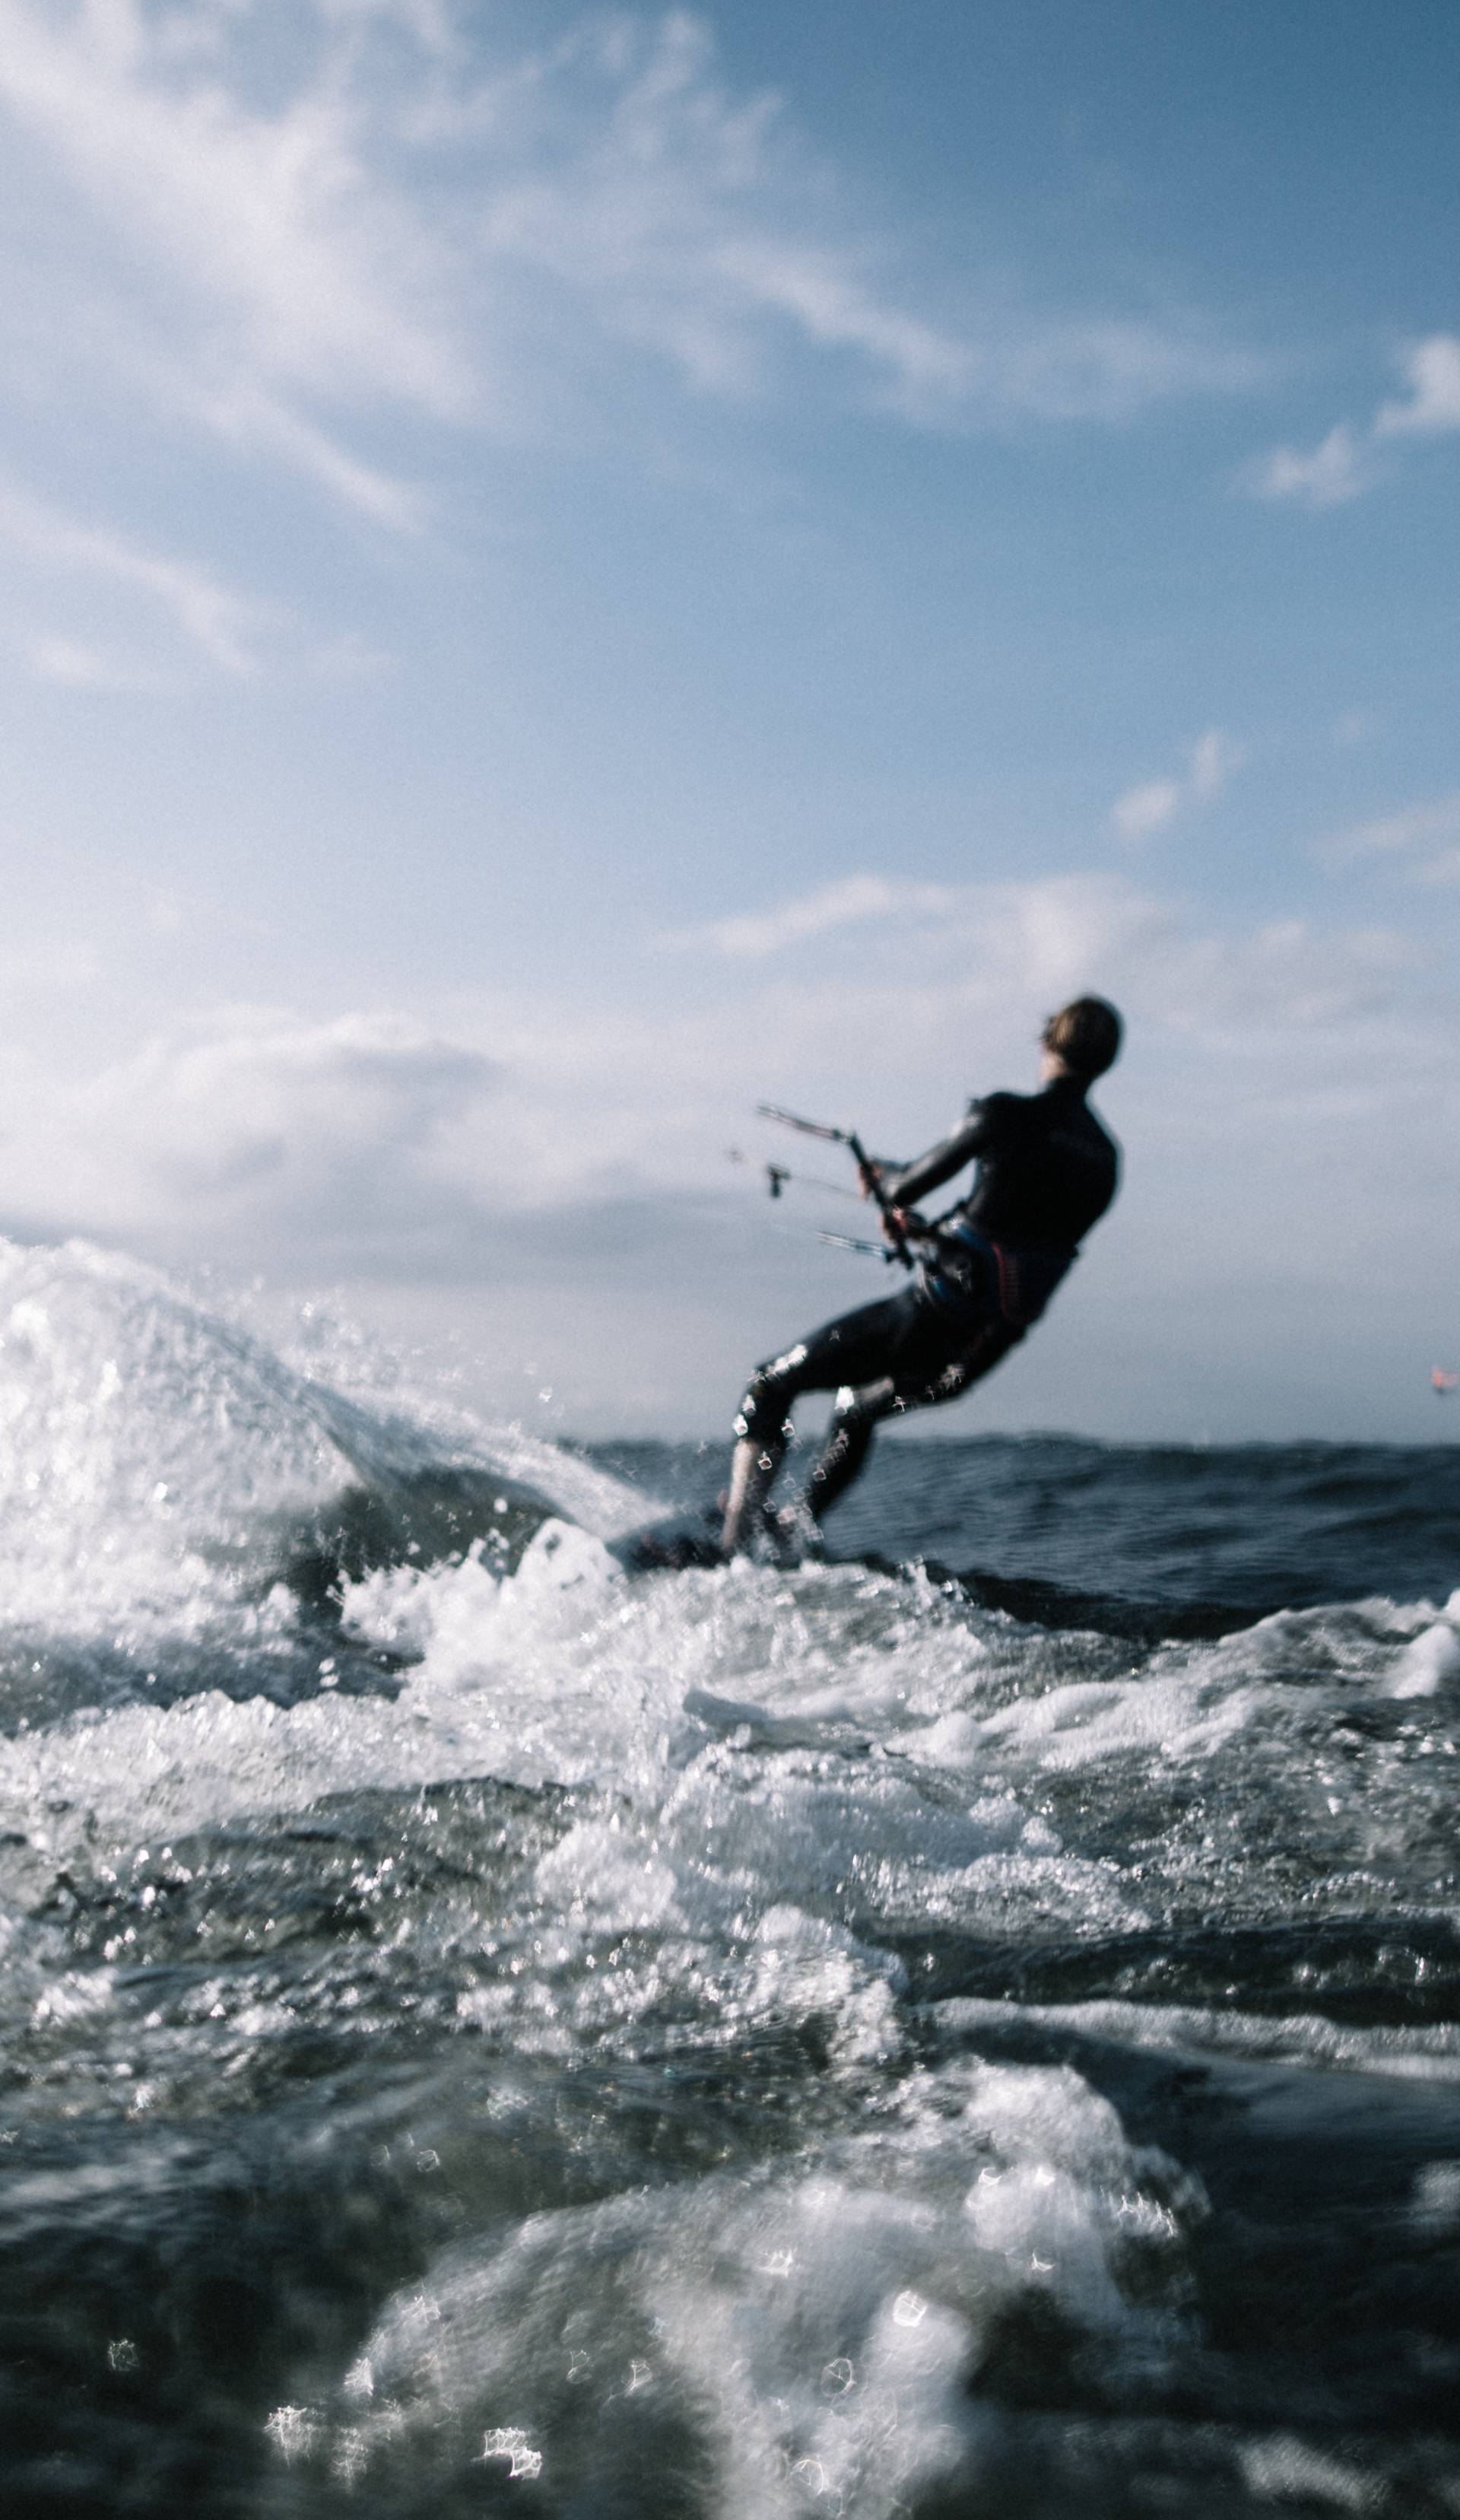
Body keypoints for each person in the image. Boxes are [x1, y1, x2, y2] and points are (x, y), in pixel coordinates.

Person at [720, 996, 1122, 1554]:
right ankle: (791, 1530)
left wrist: (885, 1182)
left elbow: (907, 1189)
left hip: (929, 1317)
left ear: (1049, 1042)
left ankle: (731, 1546)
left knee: (770, 1384)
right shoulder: (1105, 1161)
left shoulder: (1002, 1114)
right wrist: (922, 1221)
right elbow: (1019, 1228)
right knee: (855, 1409)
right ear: (1106, 1062)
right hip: (977, 1353)